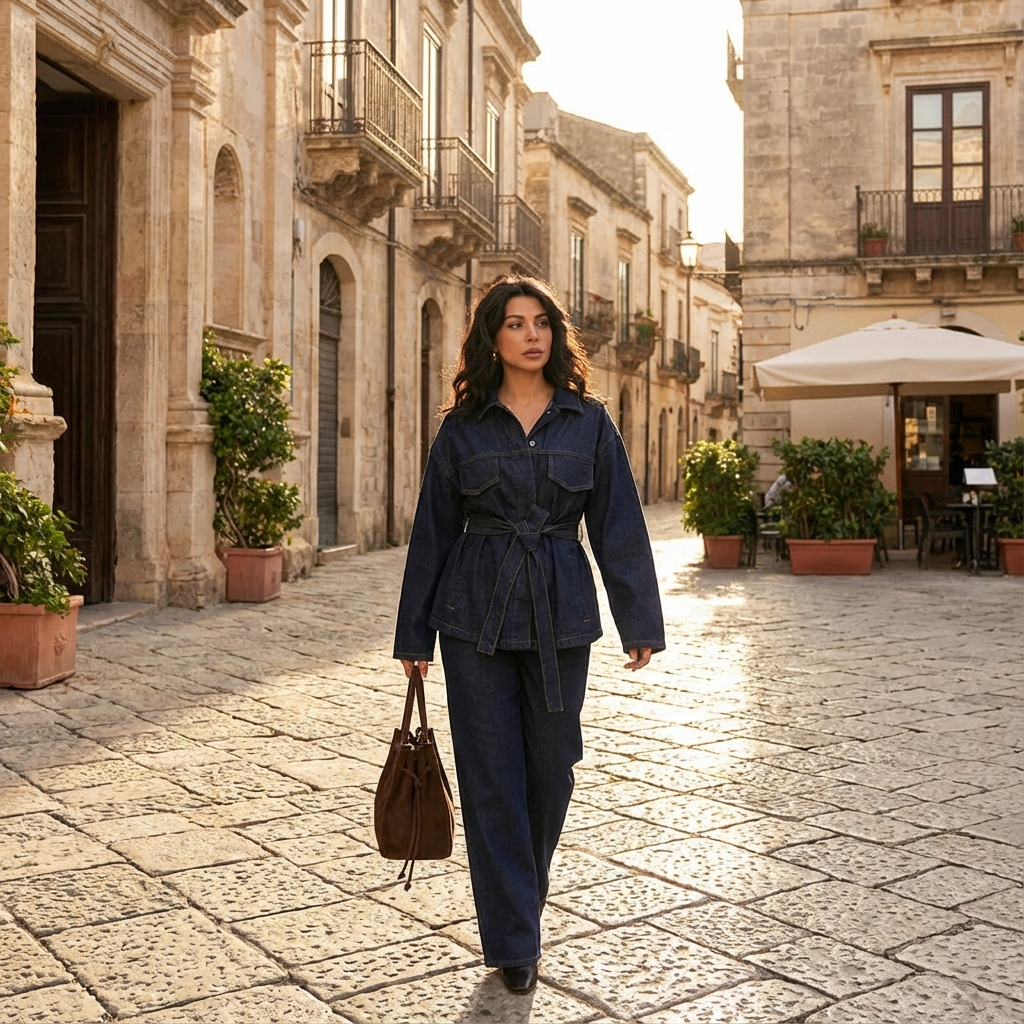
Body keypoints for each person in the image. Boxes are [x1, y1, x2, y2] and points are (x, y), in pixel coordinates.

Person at [393, 276, 665, 994]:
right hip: (473, 618)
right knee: (490, 781)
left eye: (541, 322)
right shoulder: (464, 427)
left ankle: (520, 899)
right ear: (493, 338)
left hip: (559, 614)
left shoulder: (589, 421)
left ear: (556, 334)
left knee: (551, 771)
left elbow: (618, 524)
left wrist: (639, 619)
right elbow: (433, 533)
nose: (531, 334)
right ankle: (515, 942)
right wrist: (413, 635)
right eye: (514, 324)